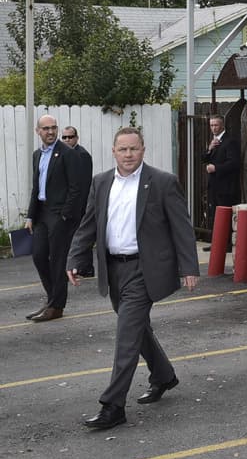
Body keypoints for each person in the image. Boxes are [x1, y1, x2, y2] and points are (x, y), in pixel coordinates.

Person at [66, 126, 199, 430]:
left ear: (143, 150)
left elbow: (182, 226)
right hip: (113, 269)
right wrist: (75, 258)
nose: (128, 154)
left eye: (134, 148)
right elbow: (88, 225)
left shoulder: (163, 182)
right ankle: (163, 375)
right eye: (123, 149)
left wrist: (189, 267)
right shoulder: (101, 182)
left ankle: (113, 406)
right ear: (114, 151)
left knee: (126, 335)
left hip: (144, 269)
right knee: (137, 329)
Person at [25, 114, 88, 323]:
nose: (51, 132)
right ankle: (52, 299)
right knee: (38, 256)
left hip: (59, 215)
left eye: (53, 127)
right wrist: (30, 215)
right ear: (38, 131)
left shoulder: (68, 154)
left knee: (58, 261)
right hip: (42, 213)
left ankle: (56, 306)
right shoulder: (37, 155)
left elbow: (76, 188)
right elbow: (36, 187)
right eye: (46, 128)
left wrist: (65, 215)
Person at [203, 114, 240, 250]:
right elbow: (203, 159)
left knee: (225, 215)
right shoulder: (214, 141)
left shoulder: (230, 141)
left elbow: (234, 163)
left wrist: (216, 168)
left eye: (216, 125)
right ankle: (216, 244)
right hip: (214, 185)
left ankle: (226, 244)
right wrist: (209, 148)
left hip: (226, 186)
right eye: (211, 125)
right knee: (214, 215)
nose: (213, 128)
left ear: (222, 125)